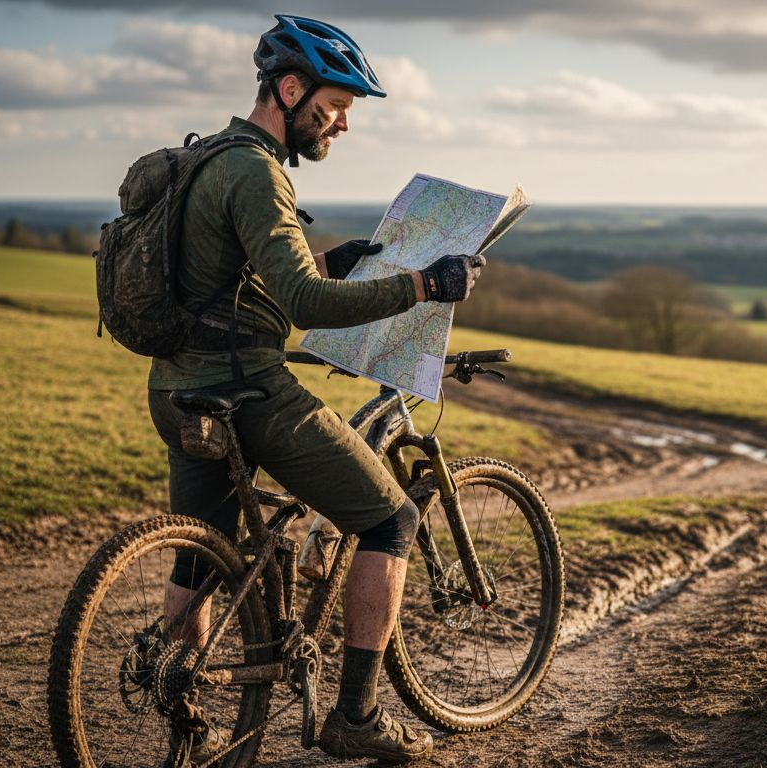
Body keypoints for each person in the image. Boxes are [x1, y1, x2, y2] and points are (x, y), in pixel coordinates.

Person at [147, 14, 483, 763]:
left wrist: (334, 260)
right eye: (334, 107)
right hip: (248, 393)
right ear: (289, 89)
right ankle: (357, 718)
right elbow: (299, 307)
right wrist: (426, 284)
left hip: (177, 390)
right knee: (390, 520)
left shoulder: (208, 159)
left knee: (200, 558)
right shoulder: (256, 170)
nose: (341, 125)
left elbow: (235, 283)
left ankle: (183, 696)